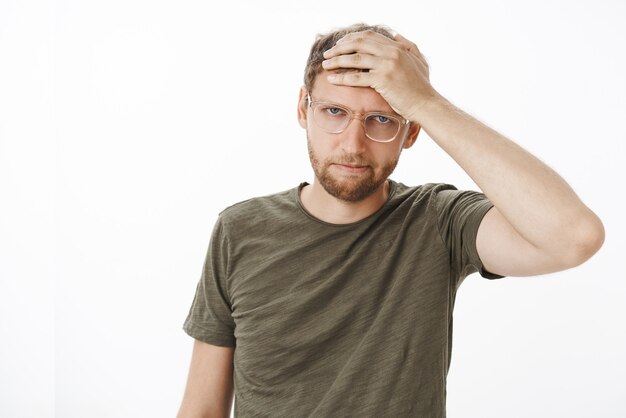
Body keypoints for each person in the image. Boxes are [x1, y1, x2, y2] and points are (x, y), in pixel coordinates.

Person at [176, 23, 605, 418]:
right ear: (303, 110)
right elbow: (201, 411)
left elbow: (574, 237)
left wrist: (426, 101)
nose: (353, 144)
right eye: (334, 112)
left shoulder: (437, 220)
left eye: (382, 119)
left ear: (412, 131)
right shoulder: (240, 229)